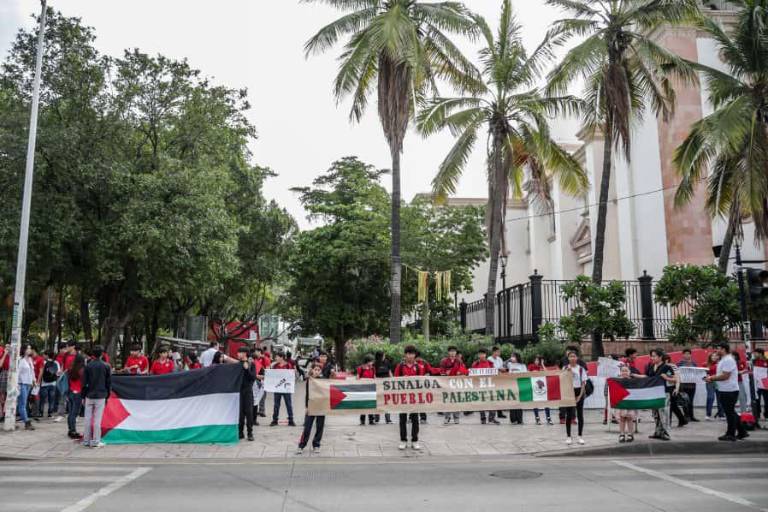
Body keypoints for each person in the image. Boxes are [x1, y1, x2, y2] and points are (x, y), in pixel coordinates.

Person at [705, 342, 748, 441]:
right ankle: (742, 432)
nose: (716, 350)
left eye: (718, 348)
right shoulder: (723, 359)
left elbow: (725, 376)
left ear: (724, 349)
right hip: (725, 389)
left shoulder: (728, 360)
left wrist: (711, 378)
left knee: (729, 413)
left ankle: (731, 434)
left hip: (729, 390)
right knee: (731, 412)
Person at [394, 345, 426, 450]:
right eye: (408, 353)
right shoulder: (400, 366)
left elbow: (421, 380)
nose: (410, 356)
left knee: (415, 419)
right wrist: (402, 379)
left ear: (415, 355)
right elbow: (394, 381)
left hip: (415, 397)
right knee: (402, 419)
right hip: (402, 397)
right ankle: (403, 440)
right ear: (405, 354)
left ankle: (415, 440)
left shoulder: (419, 367)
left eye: (412, 353)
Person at [81, 345, 111, 448]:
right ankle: (96, 441)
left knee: (87, 419)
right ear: (102, 354)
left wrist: (83, 396)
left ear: (93, 354)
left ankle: (86, 440)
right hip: (101, 395)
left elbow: (84, 383)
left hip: (89, 395)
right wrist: (108, 395)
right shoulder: (106, 366)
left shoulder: (88, 366)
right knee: (97, 420)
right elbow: (108, 383)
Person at [645, 349, 675, 441]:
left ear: (660, 357)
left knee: (664, 413)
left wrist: (666, 377)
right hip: (653, 393)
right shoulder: (651, 366)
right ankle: (658, 432)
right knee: (655, 413)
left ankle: (665, 433)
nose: (652, 358)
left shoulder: (667, 367)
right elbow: (647, 377)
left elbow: (674, 379)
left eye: (654, 356)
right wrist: (633, 375)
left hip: (664, 393)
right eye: (651, 356)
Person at [297, 363, 325, 454]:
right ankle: (301, 445)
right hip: (311, 406)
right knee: (307, 427)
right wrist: (306, 406)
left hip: (321, 407)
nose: (316, 371)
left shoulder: (324, 380)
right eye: (315, 369)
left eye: (318, 370)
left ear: (320, 371)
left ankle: (316, 445)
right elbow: (307, 394)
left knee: (319, 427)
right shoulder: (310, 380)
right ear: (312, 370)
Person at [564, 350, 587, 445]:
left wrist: (580, 396)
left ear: (577, 358)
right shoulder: (565, 368)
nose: (572, 358)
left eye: (574, 356)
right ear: (568, 358)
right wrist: (567, 372)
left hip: (579, 392)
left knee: (580, 415)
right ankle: (568, 436)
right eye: (570, 356)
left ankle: (580, 436)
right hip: (569, 392)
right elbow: (562, 381)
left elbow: (583, 383)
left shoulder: (581, 369)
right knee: (569, 415)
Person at [471, 349, 499, 425]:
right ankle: (483, 419)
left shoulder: (490, 363)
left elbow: (495, 374)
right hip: (480, 386)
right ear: (478, 355)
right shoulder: (475, 364)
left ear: (485, 355)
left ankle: (491, 418)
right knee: (481, 403)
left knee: (493, 402)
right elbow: (472, 375)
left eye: (483, 354)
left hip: (490, 386)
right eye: (480, 354)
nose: (481, 355)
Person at [440, 346, 467, 425]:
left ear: (456, 352)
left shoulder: (459, 361)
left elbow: (464, 370)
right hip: (447, 383)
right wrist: (445, 373)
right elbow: (441, 371)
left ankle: (456, 417)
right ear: (448, 352)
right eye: (451, 351)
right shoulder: (444, 361)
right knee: (448, 400)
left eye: (454, 351)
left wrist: (461, 373)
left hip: (456, 383)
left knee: (456, 400)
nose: (452, 353)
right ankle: (447, 417)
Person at [236, 347, 256, 441]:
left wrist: (247, 369)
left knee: (249, 413)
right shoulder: (237, 364)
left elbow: (252, 377)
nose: (238, 354)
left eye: (239, 352)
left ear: (244, 354)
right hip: (239, 392)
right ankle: (240, 433)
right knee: (240, 414)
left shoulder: (251, 364)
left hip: (248, 391)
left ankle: (250, 433)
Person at [270, 352, 296, 427]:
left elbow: (292, 375)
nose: (275, 358)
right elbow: (272, 375)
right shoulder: (275, 366)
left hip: (286, 388)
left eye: (277, 357)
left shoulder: (288, 365)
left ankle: (291, 420)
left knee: (288, 404)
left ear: (281, 357)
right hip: (277, 388)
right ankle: (275, 420)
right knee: (276, 405)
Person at [663, 353, 687, 428]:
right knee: (673, 406)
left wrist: (676, 388)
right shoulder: (661, 366)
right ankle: (682, 420)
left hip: (671, 388)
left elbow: (677, 378)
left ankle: (668, 423)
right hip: (664, 387)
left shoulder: (673, 366)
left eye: (664, 360)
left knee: (669, 406)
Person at [528, 355, 553, 425]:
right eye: (536, 360)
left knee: (546, 402)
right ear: (533, 360)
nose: (537, 361)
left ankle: (548, 418)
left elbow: (547, 372)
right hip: (534, 387)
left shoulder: (541, 367)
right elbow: (527, 373)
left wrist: (542, 364)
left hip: (543, 388)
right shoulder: (530, 366)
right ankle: (537, 418)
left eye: (538, 360)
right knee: (535, 402)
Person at [677, 348, 699, 422]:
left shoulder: (694, 363)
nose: (687, 355)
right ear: (683, 355)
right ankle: (686, 416)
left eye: (688, 353)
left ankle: (692, 416)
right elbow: (677, 373)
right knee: (685, 401)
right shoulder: (679, 363)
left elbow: (697, 372)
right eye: (685, 354)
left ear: (690, 354)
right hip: (683, 385)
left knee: (691, 401)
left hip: (692, 385)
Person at [66, 354, 86, 439]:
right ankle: (73, 431)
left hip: (70, 392)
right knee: (75, 413)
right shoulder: (82, 370)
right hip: (78, 393)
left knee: (71, 413)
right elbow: (83, 382)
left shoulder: (70, 368)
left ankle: (70, 429)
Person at [17, 346, 36, 430]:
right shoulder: (20, 360)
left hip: (28, 384)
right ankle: (26, 421)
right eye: (28, 348)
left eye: (30, 348)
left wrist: (34, 380)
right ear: (24, 350)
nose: (30, 350)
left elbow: (32, 371)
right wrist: (17, 384)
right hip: (22, 383)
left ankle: (26, 421)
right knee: (22, 404)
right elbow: (17, 373)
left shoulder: (30, 360)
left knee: (24, 403)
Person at [616, 364, 636, 443]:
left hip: (630, 403)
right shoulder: (617, 381)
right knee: (622, 418)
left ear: (629, 372)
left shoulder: (632, 381)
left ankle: (630, 434)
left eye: (626, 371)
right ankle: (622, 434)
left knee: (630, 418)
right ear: (620, 372)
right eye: (623, 371)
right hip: (621, 403)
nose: (624, 372)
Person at [38, 350, 59, 418]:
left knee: (43, 399)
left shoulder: (44, 362)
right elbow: (58, 373)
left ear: (47, 355)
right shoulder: (56, 362)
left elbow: (41, 372)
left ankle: (41, 412)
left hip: (44, 383)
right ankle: (50, 412)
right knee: (51, 399)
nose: (43, 356)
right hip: (53, 383)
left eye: (44, 355)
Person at [505, 352, 525, 425]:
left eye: (513, 356)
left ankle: (520, 419)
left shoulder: (522, 365)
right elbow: (502, 365)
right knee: (512, 402)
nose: (512, 358)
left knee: (519, 403)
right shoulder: (509, 364)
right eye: (511, 356)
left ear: (517, 357)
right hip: (511, 385)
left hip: (519, 385)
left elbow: (526, 375)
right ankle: (513, 420)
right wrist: (508, 360)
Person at [373, 351, 393, 424]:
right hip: (378, 384)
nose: (384, 356)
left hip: (386, 385)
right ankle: (377, 419)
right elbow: (374, 374)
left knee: (387, 401)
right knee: (378, 401)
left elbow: (390, 372)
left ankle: (388, 419)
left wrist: (393, 380)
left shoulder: (387, 362)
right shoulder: (375, 364)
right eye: (383, 355)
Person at [356, 355, 376, 426]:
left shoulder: (373, 369)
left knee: (370, 404)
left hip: (371, 389)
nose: (372, 363)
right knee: (363, 405)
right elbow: (357, 378)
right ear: (367, 361)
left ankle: (371, 420)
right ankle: (362, 420)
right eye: (371, 361)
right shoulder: (360, 368)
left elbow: (374, 378)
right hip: (363, 389)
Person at [488, 347, 507, 419]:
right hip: (493, 379)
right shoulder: (489, 359)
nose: (499, 353)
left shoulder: (500, 359)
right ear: (494, 352)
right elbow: (491, 369)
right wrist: (499, 369)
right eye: (498, 352)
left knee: (500, 395)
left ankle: (500, 412)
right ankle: (492, 414)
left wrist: (503, 369)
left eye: (499, 352)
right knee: (494, 395)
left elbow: (501, 367)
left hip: (500, 378)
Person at [705, 352, 724, 420]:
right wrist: (706, 379)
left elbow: (723, 373)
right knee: (710, 397)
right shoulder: (706, 364)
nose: (714, 357)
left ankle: (721, 414)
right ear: (710, 357)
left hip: (719, 382)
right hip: (710, 383)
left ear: (718, 357)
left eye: (716, 356)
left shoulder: (721, 364)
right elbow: (703, 375)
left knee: (720, 399)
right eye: (712, 356)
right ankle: (708, 414)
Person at [754, 348, 767, 422]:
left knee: (766, 400)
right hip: (757, 383)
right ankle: (757, 414)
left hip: (765, 382)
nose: (754, 355)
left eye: (755, 353)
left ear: (760, 353)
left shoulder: (766, 361)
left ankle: (766, 415)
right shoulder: (754, 361)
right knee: (757, 400)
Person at [0, 342, 8, 422]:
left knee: (7, 395)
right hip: (3, 373)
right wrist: (5, 354)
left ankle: (6, 413)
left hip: (10, 373)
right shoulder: (2, 352)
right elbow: (0, 365)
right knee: (2, 395)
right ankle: (2, 413)